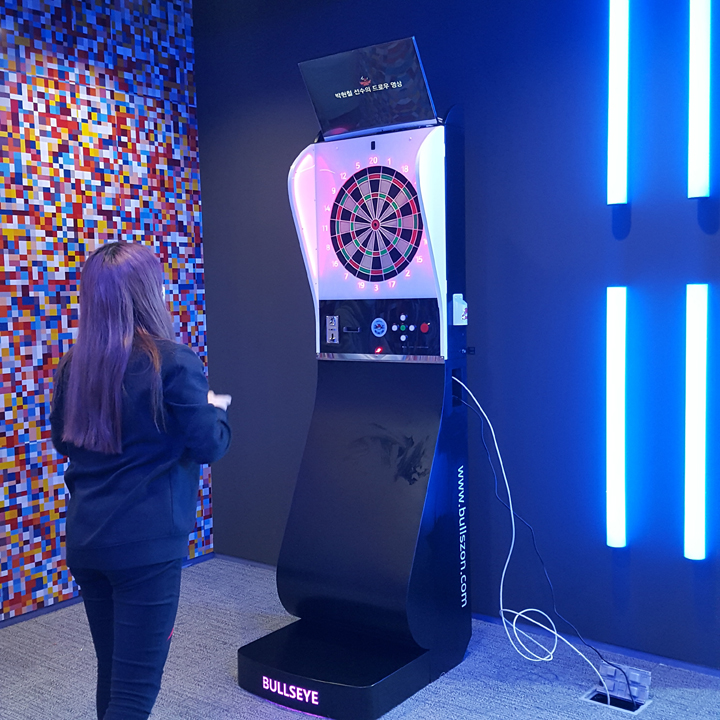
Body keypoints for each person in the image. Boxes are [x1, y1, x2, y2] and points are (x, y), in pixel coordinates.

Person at [50, 242, 232, 720]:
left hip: (88, 542)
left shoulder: (74, 366)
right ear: (150, 293)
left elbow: (64, 442)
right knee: (133, 695)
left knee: (114, 677)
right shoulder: (173, 361)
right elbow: (210, 444)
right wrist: (215, 405)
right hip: (145, 550)